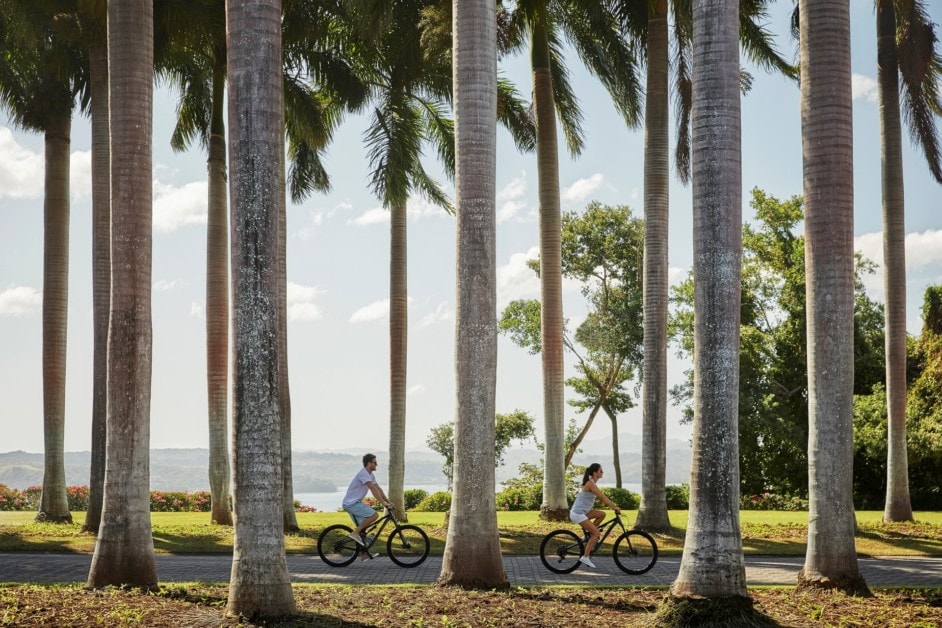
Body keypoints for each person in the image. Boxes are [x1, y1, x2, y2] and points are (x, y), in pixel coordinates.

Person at [569, 462, 620, 568]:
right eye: (600, 471)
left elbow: (602, 497)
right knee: (596, 533)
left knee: (602, 514)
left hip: (583, 512)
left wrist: (611, 505)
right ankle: (585, 557)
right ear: (595, 473)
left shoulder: (592, 483)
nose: (602, 472)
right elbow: (602, 497)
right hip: (577, 514)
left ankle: (588, 536)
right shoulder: (590, 483)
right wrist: (614, 507)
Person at [342, 453, 393, 552]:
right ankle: (355, 533)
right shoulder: (363, 474)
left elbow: (378, 489)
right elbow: (373, 489)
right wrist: (383, 503)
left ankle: (363, 552)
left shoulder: (370, 475)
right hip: (351, 504)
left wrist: (388, 501)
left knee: (363, 530)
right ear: (369, 463)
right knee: (374, 515)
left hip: (354, 503)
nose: (376, 464)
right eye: (375, 462)